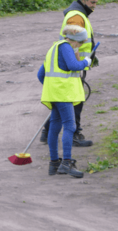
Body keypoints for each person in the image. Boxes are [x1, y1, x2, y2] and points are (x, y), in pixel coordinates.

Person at [40, 0, 99, 147]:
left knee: (63, 105)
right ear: (84, 0)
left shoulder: (78, 13)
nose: (94, 6)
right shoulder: (76, 17)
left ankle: (46, 132)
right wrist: (79, 64)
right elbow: (73, 43)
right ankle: (74, 135)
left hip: (68, 66)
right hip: (70, 68)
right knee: (75, 101)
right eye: (93, 2)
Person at [38, 25, 92, 178]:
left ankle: (54, 163)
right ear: (75, 40)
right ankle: (66, 163)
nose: (80, 46)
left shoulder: (53, 48)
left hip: (54, 94)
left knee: (54, 127)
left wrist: (52, 87)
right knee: (70, 126)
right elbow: (73, 66)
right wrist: (86, 62)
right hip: (63, 95)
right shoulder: (67, 47)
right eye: (81, 43)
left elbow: (40, 74)